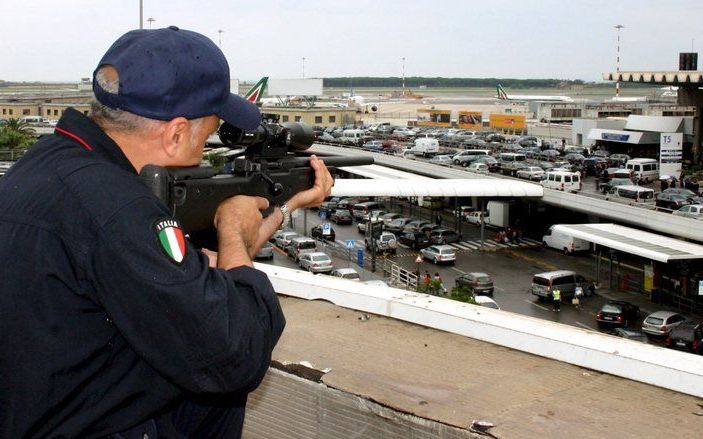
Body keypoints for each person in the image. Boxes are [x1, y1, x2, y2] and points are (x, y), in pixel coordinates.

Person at [0, 27, 334, 437]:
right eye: (208, 134)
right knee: (214, 390)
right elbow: (236, 356)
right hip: (80, 423)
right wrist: (230, 230)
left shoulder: (53, 163)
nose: (206, 149)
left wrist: (286, 205)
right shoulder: (119, 208)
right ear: (176, 133)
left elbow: (183, 282)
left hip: (43, 401)